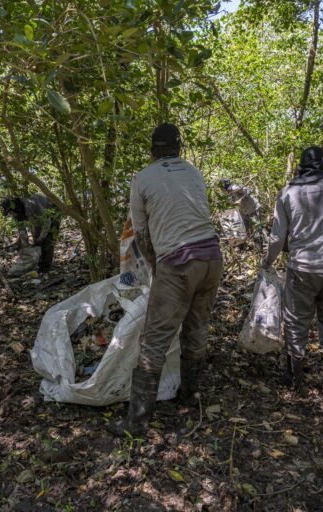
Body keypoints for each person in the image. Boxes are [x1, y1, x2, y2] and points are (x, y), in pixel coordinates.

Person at [109, 123, 223, 437]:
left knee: (154, 339)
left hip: (178, 262)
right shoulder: (194, 172)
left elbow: (141, 232)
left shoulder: (142, 178)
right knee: (197, 326)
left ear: (152, 150)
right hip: (212, 258)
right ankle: (189, 396)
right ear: (179, 147)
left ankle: (138, 421)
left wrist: (158, 268)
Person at [262, 146, 323, 394]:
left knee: (296, 321)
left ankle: (296, 377)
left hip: (302, 268)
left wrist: (267, 262)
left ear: (300, 168)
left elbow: (277, 237)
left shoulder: (288, 192)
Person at [1, 194, 60, 273]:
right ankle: (39, 263)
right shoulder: (16, 212)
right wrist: (26, 246)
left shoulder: (32, 205)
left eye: (11, 211)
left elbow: (47, 221)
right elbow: (22, 229)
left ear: (15, 207)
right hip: (38, 219)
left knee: (48, 241)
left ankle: (46, 267)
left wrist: (41, 238)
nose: (12, 214)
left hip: (52, 213)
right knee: (36, 238)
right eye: (10, 213)